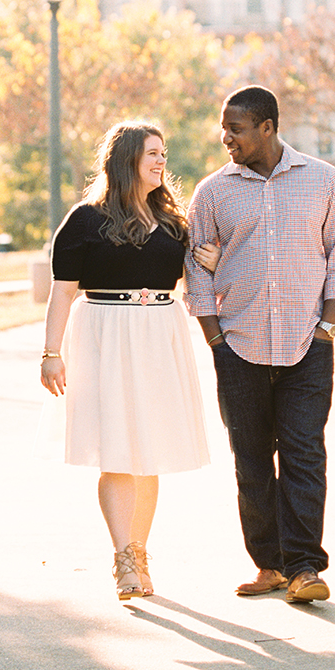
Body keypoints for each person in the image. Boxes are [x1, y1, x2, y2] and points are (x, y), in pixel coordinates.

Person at [184, 85, 335, 604]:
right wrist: (215, 338)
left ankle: (304, 567)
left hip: (308, 345)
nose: (225, 137)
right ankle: (269, 564)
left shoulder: (322, 180)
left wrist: (327, 328)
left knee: (305, 453)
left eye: (235, 128)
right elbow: (196, 269)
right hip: (239, 346)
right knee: (252, 459)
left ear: (266, 127)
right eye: (224, 128)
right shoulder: (213, 192)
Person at [40, 121, 219, 600]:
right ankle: (123, 560)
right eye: (152, 153)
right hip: (104, 336)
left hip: (160, 336)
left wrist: (212, 262)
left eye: (163, 153)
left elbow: (194, 281)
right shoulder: (84, 220)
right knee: (116, 451)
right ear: (126, 161)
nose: (162, 161)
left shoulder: (174, 221)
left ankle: (139, 551)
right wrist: (51, 353)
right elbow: (61, 294)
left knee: (150, 451)